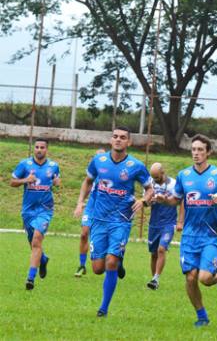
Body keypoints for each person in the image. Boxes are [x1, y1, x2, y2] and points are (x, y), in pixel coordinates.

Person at [73, 127, 153, 317]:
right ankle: (119, 259)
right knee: (98, 268)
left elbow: (150, 189)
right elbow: (87, 181)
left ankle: (103, 308)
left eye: (123, 137)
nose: (118, 140)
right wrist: (80, 202)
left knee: (110, 262)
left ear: (129, 142)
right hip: (99, 219)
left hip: (121, 220)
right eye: (115, 137)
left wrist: (143, 201)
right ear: (111, 140)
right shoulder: (98, 161)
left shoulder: (136, 165)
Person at [167, 134, 217, 327]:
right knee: (190, 278)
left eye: (200, 150)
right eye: (193, 150)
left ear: (208, 153)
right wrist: (164, 200)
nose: (196, 154)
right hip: (189, 235)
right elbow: (176, 199)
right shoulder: (184, 175)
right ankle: (202, 316)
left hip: (210, 235)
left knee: (205, 278)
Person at [10, 138, 61, 290]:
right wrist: (26, 179)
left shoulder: (53, 166)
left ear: (47, 150)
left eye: (42, 147)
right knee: (33, 242)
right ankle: (43, 260)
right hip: (28, 210)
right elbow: (12, 182)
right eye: (37, 147)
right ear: (34, 149)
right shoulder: (24, 164)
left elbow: (56, 182)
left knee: (37, 239)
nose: (39, 149)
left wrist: (58, 183)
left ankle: (30, 278)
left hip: (45, 209)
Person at [144, 162, 178, 290]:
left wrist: (180, 222)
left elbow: (179, 201)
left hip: (169, 223)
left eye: (157, 178)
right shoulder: (150, 184)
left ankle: (156, 278)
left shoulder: (174, 184)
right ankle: (154, 281)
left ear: (163, 173)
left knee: (161, 249)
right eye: (153, 178)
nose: (155, 181)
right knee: (153, 254)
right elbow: (145, 202)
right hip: (154, 223)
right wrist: (150, 201)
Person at [75, 148, 106, 277]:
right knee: (84, 234)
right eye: (96, 157)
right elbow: (88, 185)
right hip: (91, 207)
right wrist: (80, 203)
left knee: (102, 238)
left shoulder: (111, 173)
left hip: (105, 210)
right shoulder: (93, 172)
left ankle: (111, 262)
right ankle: (82, 265)